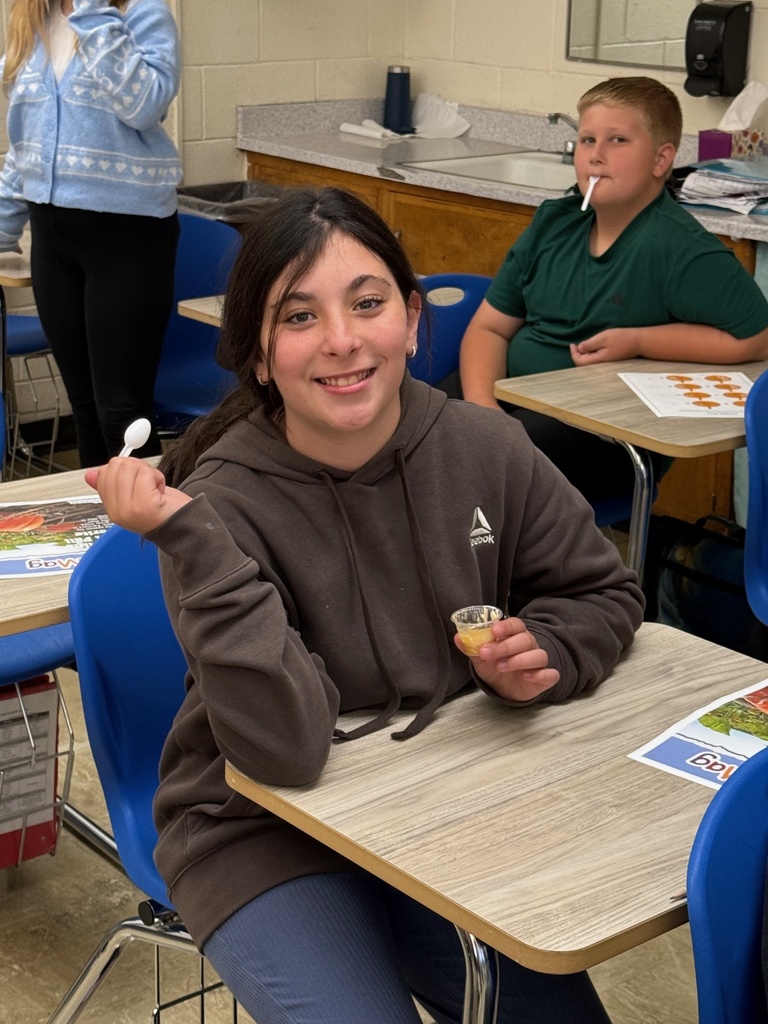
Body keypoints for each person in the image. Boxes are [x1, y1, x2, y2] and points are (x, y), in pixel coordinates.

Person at [85, 186, 645, 1024]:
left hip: (438, 803)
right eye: (299, 317)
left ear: (413, 320)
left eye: (369, 303)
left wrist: (549, 653)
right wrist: (192, 542)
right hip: (259, 832)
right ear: (260, 355)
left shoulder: (485, 445)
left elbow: (600, 588)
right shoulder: (222, 506)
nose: (343, 341)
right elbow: (284, 752)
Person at [458, 77, 768, 502]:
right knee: (410, 428)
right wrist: (482, 412)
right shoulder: (553, 223)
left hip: (605, 434)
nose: (596, 156)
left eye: (617, 140)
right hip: (509, 405)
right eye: (587, 140)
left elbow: (757, 337)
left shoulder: (677, 247)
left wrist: (637, 340)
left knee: (478, 467)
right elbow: (489, 329)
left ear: (661, 160)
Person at [0, 0, 182, 467]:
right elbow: (26, 147)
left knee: (122, 413)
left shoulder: (141, 13)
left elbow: (144, 106)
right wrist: (2, 229)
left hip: (128, 239)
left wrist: (94, 11)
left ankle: (150, 535)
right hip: (52, 238)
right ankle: (100, 530)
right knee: (82, 407)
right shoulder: (33, 21)